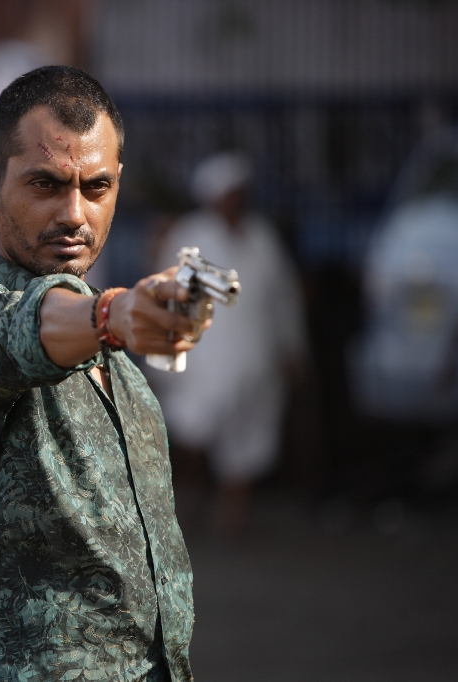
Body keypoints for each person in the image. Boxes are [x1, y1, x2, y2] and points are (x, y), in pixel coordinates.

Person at [0, 66, 203, 682]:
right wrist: (113, 312)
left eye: (95, 187)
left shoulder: (116, 361)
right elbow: (25, 329)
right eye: (46, 184)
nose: (75, 213)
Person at [152, 152, 308, 535]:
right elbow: (165, 297)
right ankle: (191, 498)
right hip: (204, 359)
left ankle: (234, 516)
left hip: (256, 359)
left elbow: (284, 298)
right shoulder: (190, 237)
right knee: (194, 430)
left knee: (248, 437)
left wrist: (293, 348)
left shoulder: (262, 237)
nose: (235, 201)